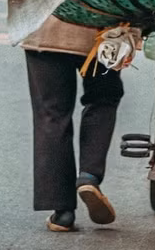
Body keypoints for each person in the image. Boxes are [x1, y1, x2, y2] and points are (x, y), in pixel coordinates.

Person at [22, 16, 124, 232]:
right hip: (102, 35)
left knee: (52, 113)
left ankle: (62, 212)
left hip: (45, 32)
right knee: (103, 98)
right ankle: (89, 175)